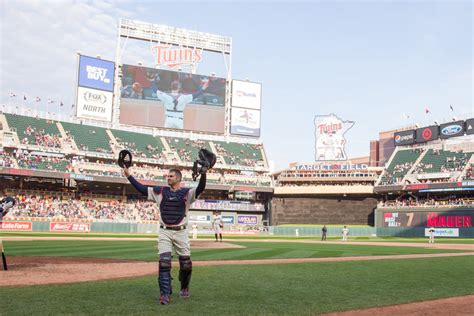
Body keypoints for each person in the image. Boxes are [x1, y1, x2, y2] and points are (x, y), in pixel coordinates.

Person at [123, 166, 207, 305]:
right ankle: (165, 294)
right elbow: (142, 189)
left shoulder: (187, 193)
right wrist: (129, 176)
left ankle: (184, 287)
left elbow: (200, 188)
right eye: (167, 176)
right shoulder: (160, 191)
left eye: (171, 176)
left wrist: (204, 174)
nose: (168, 178)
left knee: (186, 265)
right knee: (164, 263)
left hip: (181, 231)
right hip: (165, 231)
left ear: (178, 178)